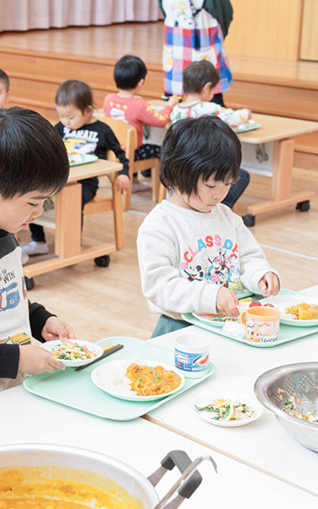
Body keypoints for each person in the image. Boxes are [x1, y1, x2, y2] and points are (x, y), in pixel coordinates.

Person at [137, 116, 280, 337]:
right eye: (211, 184)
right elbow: (159, 287)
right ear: (176, 175)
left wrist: (260, 274)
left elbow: (249, 257)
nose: (220, 193)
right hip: (181, 329)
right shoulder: (159, 225)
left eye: (228, 183)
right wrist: (210, 296)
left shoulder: (226, 217)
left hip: (230, 323)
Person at [0, 107, 75, 395]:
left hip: (11, 389)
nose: (37, 212)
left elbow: (4, 301)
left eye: (45, 202)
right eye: (32, 202)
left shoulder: (5, 231)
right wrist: (19, 358)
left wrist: (41, 320)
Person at [22, 80, 130, 263]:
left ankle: (72, 244)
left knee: (74, 200)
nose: (65, 122)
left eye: (70, 117)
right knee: (31, 197)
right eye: (61, 116)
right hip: (59, 180)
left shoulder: (102, 130)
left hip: (86, 182)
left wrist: (124, 173)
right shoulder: (61, 128)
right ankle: (39, 240)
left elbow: (121, 154)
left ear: (87, 111)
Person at [170, 60, 251, 208]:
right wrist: (246, 113)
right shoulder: (210, 108)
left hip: (180, 164)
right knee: (242, 176)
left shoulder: (176, 109)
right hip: (204, 163)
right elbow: (234, 117)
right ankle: (219, 207)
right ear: (207, 88)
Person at [103, 55, 179, 189]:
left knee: (138, 142)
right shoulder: (139, 105)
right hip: (132, 153)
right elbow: (161, 120)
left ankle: (134, 181)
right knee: (160, 150)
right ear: (140, 82)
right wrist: (170, 105)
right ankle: (161, 189)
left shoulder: (108, 99)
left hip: (113, 149)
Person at [158, 0, 234, 105]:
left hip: (177, 37)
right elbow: (225, 12)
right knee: (209, 88)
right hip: (202, 36)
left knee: (175, 90)